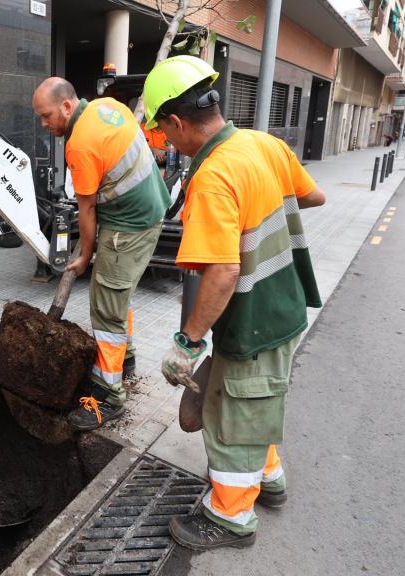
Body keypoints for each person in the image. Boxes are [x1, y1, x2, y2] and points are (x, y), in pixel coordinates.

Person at [144, 55, 326, 550]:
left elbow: (223, 273)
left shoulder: (213, 176)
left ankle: (229, 517)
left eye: (162, 132)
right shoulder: (265, 145)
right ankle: (268, 479)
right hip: (284, 306)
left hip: (252, 320)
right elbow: (315, 198)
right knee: (258, 403)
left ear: (177, 123)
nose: (166, 143)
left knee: (230, 418)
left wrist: (187, 343)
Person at [32, 78, 172, 431]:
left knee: (105, 305)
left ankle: (108, 394)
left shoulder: (78, 145)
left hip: (128, 225)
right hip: (152, 212)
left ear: (66, 106)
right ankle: (125, 360)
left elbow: (87, 208)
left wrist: (85, 256)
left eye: (47, 116)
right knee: (118, 293)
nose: (45, 125)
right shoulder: (105, 107)